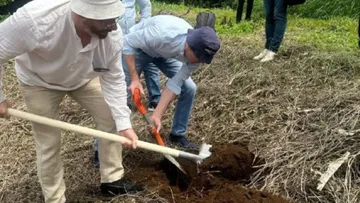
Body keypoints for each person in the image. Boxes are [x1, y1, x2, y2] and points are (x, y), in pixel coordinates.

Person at [0, 0, 145, 202]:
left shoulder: (112, 34)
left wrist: (124, 124)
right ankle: (55, 198)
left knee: (111, 117)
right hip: (39, 81)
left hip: (83, 77)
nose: (113, 26)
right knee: (49, 141)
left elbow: (113, 78)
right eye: (106, 21)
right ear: (84, 15)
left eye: (114, 19)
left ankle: (112, 181)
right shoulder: (35, 20)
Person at [123, 15, 220, 148]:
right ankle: (102, 152)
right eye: (198, 58)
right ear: (189, 47)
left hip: (165, 54)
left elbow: (175, 84)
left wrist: (157, 115)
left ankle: (177, 135)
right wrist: (135, 79)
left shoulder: (198, 55)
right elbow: (127, 42)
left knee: (189, 88)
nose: (199, 62)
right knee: (120, 95)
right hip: (139, 49)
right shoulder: (162, 35)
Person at [93, 0, 161, 168]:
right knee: (113, 100)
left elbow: (146, 5)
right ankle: (99, 151)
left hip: (129, 38)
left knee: (123, 91)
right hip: (107, 38)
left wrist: (142, 23)